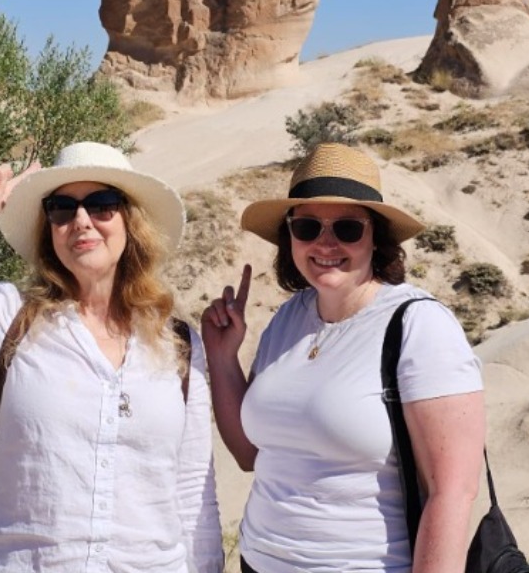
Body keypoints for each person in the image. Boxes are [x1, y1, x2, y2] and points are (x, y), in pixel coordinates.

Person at [0, 141, 223, 573]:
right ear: (49, 229)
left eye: (102, 204)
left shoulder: (176, 341)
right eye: (62, 209)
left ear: (130, 221)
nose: (81, 220)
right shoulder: (6, 319)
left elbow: (192, 486)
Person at [202, 143, 485, 573]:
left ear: (376, 238)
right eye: (307, 227)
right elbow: (251, 454)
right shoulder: (287, 319)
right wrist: (222, 357)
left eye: (348, 228)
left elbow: (452, 492)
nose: (326, 242)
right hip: (258, 561)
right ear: (290, 237)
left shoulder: (418, 325)